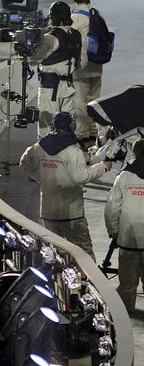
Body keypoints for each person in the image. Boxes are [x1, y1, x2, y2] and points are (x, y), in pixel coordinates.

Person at [19, 111, 111, 259]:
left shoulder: (39, 146)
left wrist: (42, 178)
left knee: (54, 254)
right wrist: (103, 167)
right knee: (83, 253)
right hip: (71, 212)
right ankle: (87, 281)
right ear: (71, 126)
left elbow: (24, 163)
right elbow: (81, 176)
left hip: (48, 212)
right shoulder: (72, 150)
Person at [26, 1, 82, 135]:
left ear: (54, 17)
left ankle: (46, 154)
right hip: (69, 87)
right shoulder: (75, 35)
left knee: (46, 127)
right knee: (66, 125)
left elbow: (33, 60)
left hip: (50, 89)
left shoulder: (50, 38)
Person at [104, 138, 144, 313]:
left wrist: (114, 231)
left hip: (129, 237)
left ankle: (127, 312)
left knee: (128, 282)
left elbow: (112, 208)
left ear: (133, 153)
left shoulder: (124, 176)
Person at [69, 0, 105, 142]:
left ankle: (82, 137)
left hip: (80, 69)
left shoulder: (74, 18)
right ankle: (94, 135)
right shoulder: (97, 15)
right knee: (94, 102)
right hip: (97, 66)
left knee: (80, 104)